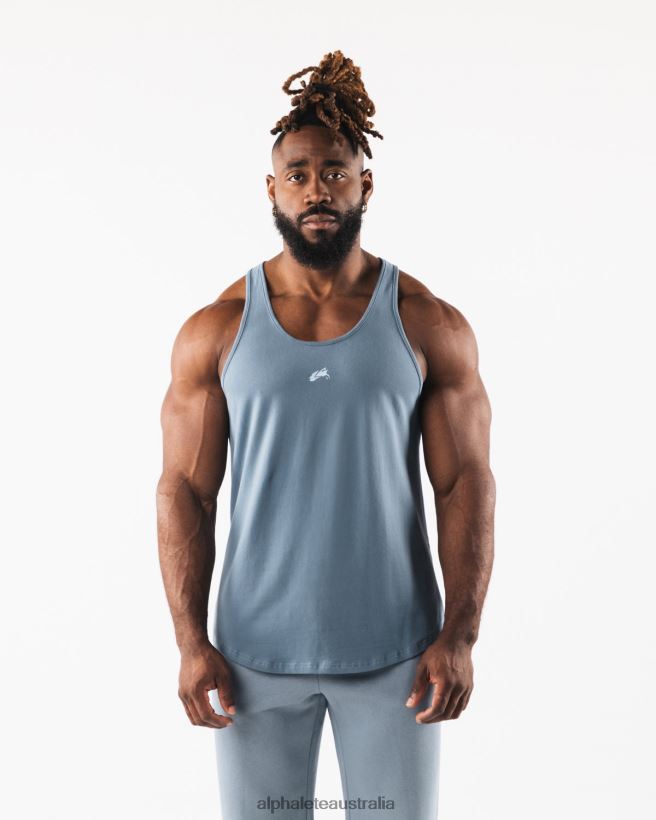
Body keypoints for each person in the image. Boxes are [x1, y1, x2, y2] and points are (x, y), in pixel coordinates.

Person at [156, 49, 495, 820]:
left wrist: (460, 636)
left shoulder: (426, 323)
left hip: (399, 657)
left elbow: (463, 484)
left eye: (335, 172)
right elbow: (184, 491)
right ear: (272, 188)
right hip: (250, 660)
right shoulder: (217, 329)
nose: (318, 189)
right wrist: (189, 641)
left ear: (364, 185)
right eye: (299, 173)